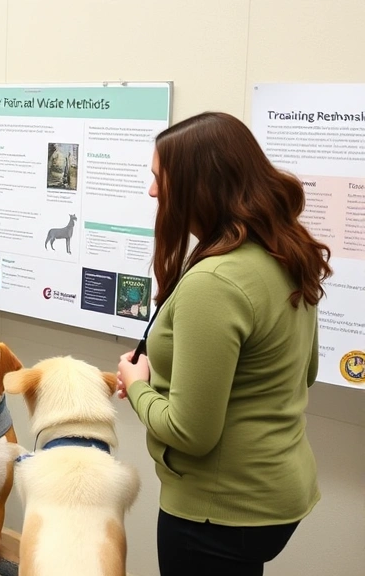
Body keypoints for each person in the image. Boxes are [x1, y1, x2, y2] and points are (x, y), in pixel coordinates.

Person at [115, 112, 330, 576]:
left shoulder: (214, 281)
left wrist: (136, 385)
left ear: (198, 186)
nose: (152, 192)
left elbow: (191, 434)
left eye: (159, 178)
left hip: (218, 511)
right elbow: (304, 371)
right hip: (276, 495)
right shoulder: (284, 253)